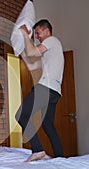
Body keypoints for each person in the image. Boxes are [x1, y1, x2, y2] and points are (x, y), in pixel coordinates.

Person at [16, 19, 64, 162]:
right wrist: (27, 39)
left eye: (38, 33)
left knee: (21, 115)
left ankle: (37, 150)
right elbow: (30, 56)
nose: (37, 37)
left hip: (47, 87)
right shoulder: (52, 47)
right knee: (48, 125)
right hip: (55, 91)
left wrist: (25, 34)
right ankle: (60, 158)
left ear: (46, 30)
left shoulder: (52, 40)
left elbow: (31, 52)